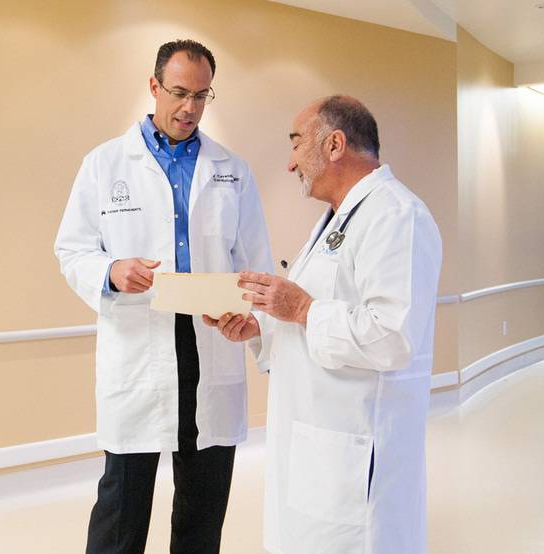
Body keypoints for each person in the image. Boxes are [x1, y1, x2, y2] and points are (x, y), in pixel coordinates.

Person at [54, 39, 273, 553]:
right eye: (178, 93)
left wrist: (253, 320)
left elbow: (255, 262)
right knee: (121, 509)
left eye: (201, 96)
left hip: (209, 342)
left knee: (203, 508)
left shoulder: (232, 169)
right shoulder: (105, 164)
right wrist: (111, 269)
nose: (189, 108)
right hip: (140, 345)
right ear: (153, 87)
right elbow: (71, 249)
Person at [206, 95, 442, 553]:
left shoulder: (396, 216)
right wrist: (260, 326)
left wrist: (302, 309)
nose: (291, 163)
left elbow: (393, 336)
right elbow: (318, 311)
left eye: (296, 144)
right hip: (316, 441)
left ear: (335, 144)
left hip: (354, 449)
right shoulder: (337, 221)